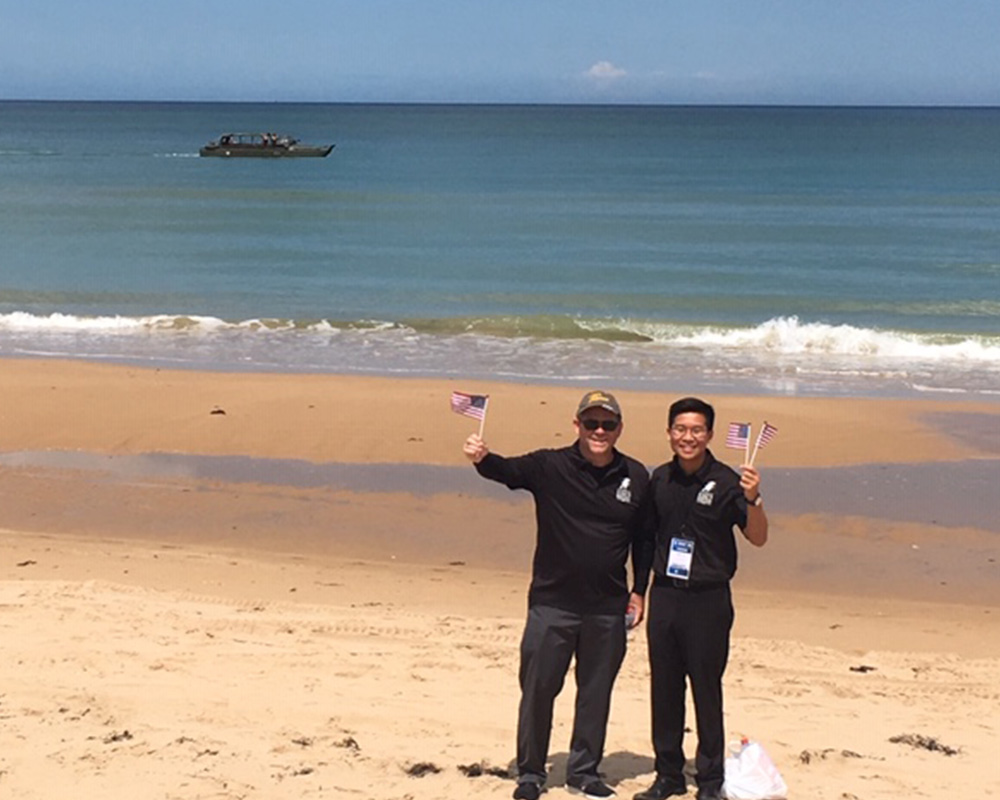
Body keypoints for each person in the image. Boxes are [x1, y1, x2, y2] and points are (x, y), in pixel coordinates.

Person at [463, 390, 650, 800]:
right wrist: (482, 458)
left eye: (608, 424)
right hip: (553, 603)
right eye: (591, 423)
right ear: (577, 425)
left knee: (595, 693)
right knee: (538, 689)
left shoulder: (635, 476)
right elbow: (507, 471)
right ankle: (531, 772)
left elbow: (644, 540)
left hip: (607, 607)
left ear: (619, 428)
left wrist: (639, 590)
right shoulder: (550, 465)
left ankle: (584, 772)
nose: (599, 431)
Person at [633, 397, 768, 800]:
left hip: (708, 599)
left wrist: (754, 498)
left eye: (696, 430)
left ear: (709, 435)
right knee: (665, 688)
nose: (687, 437)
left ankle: (710, 780)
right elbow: (645, 540)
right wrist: (639, 591)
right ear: (669, 433)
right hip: (666, 594)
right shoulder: (660, 479)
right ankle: (668, 775)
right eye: (680, 429)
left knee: (706, 689)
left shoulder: (728, 482)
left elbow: (758, 537)